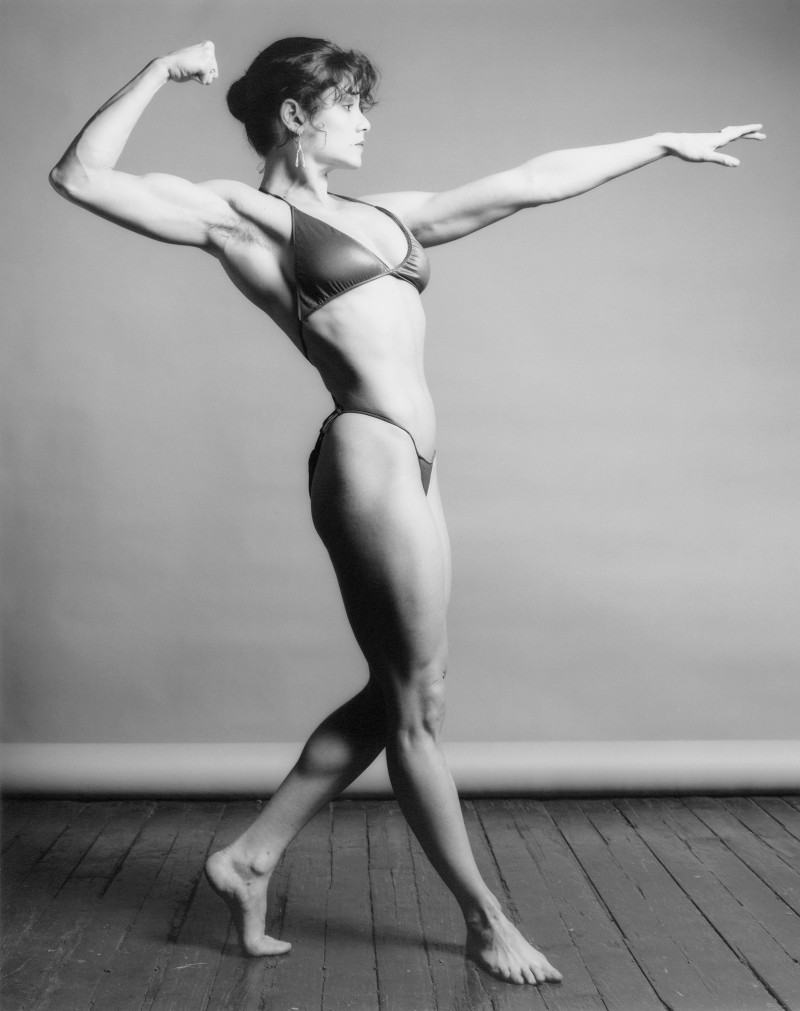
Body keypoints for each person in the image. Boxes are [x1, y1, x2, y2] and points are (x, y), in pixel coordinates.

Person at [49, 36, 764, 987]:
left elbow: (529, 183)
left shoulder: (387, 214)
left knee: (408, 693)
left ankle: (250, 858)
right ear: (296, 114)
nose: (366, 121)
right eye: (350, 103)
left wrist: (662, 141)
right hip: (368, 452)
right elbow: (81, 178)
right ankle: (485, 919)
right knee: (417, 705)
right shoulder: (243, 216)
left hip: (417, 464)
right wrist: (159, 70)